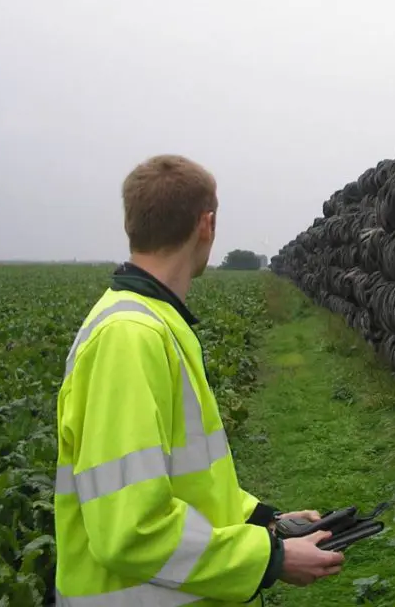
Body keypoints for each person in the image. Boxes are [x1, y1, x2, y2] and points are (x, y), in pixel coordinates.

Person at [53, 154, 343, 605]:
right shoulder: (128, 337)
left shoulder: (153, 322)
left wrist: (265, 522)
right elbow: (129, 530)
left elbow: (184, 482)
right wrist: (271, 560)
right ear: (206, 225)